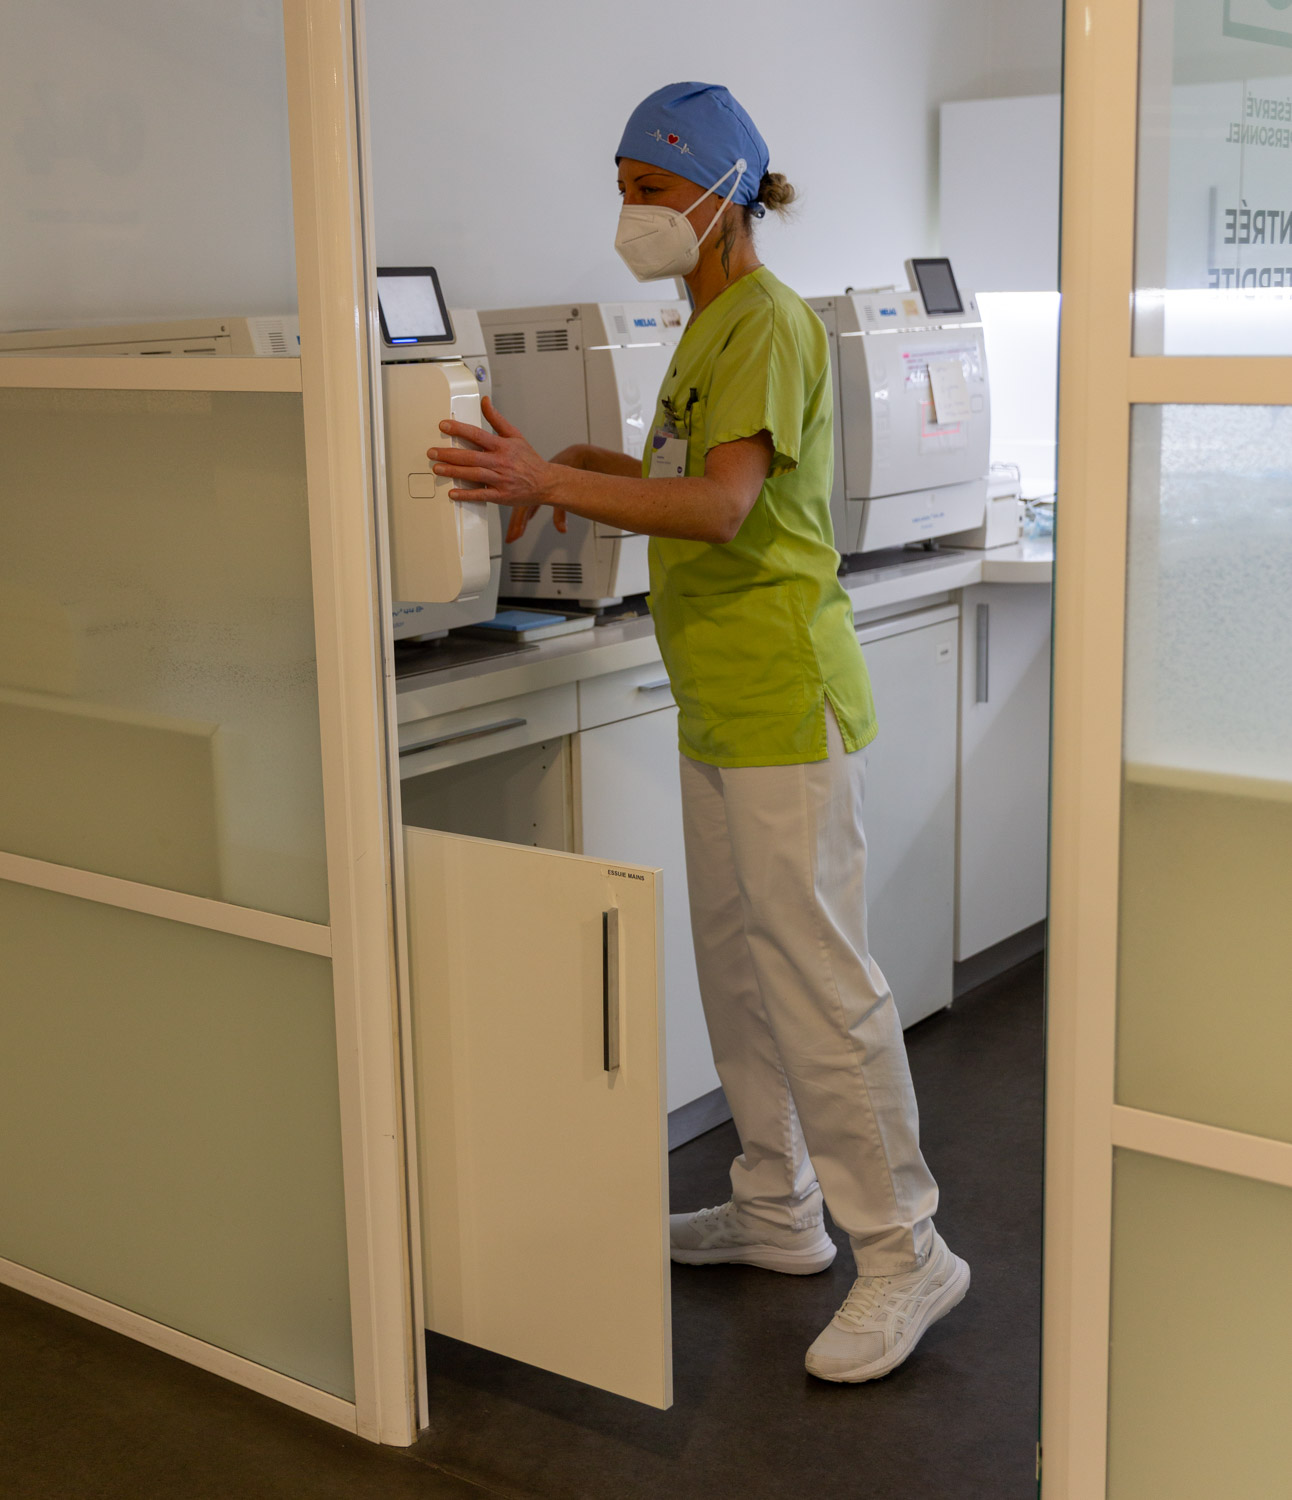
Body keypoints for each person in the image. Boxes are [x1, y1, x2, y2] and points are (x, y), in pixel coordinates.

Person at [426, 81, 968, 1384]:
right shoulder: (705, 326)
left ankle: (906, 1251)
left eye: (653, 191)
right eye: (622, 190)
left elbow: (724, 510)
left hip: (781, 695)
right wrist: (575, 466)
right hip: (719, 698)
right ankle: (777, 1206)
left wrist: (547, 480)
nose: (632, 214)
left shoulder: (767, 322)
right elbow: (686, 481)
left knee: (821, 980)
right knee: (740, 965)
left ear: (726, 195)